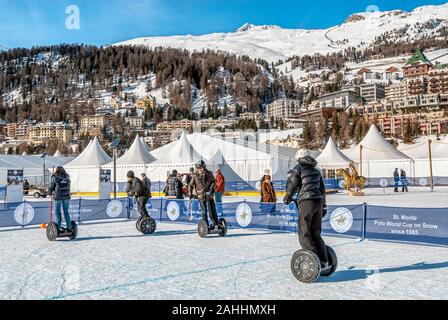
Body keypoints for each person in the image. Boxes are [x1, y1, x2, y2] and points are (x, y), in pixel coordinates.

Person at [284, 150, 329, 268]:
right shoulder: (316, 171)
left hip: (306, 202)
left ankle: (314, 260)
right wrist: (324, 205)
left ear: (298, 158)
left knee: (304, 232)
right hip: (318, 202)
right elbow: (322, 190)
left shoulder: (298, 168)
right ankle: (324, 260)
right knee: (316, 233)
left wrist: (287, 196)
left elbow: (293, 184)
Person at [189, 160, 222, 229]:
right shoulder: (195, 176)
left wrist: (210, 191)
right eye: (198, 168)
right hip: (201, 196)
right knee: (204, 211)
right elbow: (190, 185)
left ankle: (216, 224)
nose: (199, 169)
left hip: (209, 195)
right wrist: (190, 195)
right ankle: (206, 225)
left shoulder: (209, 173)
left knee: (212, 211)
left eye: (200, 167)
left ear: (204, 167)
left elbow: (213, 182)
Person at [48, 166, 72, 231]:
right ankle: (69, 227)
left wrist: (49, 192)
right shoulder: (67, 177)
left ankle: (58, 227)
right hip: (67, 196)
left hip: (58, 196)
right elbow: (69, 186)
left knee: (57, 212)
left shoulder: (55, 176)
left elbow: (52, 185)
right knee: (66, 212)